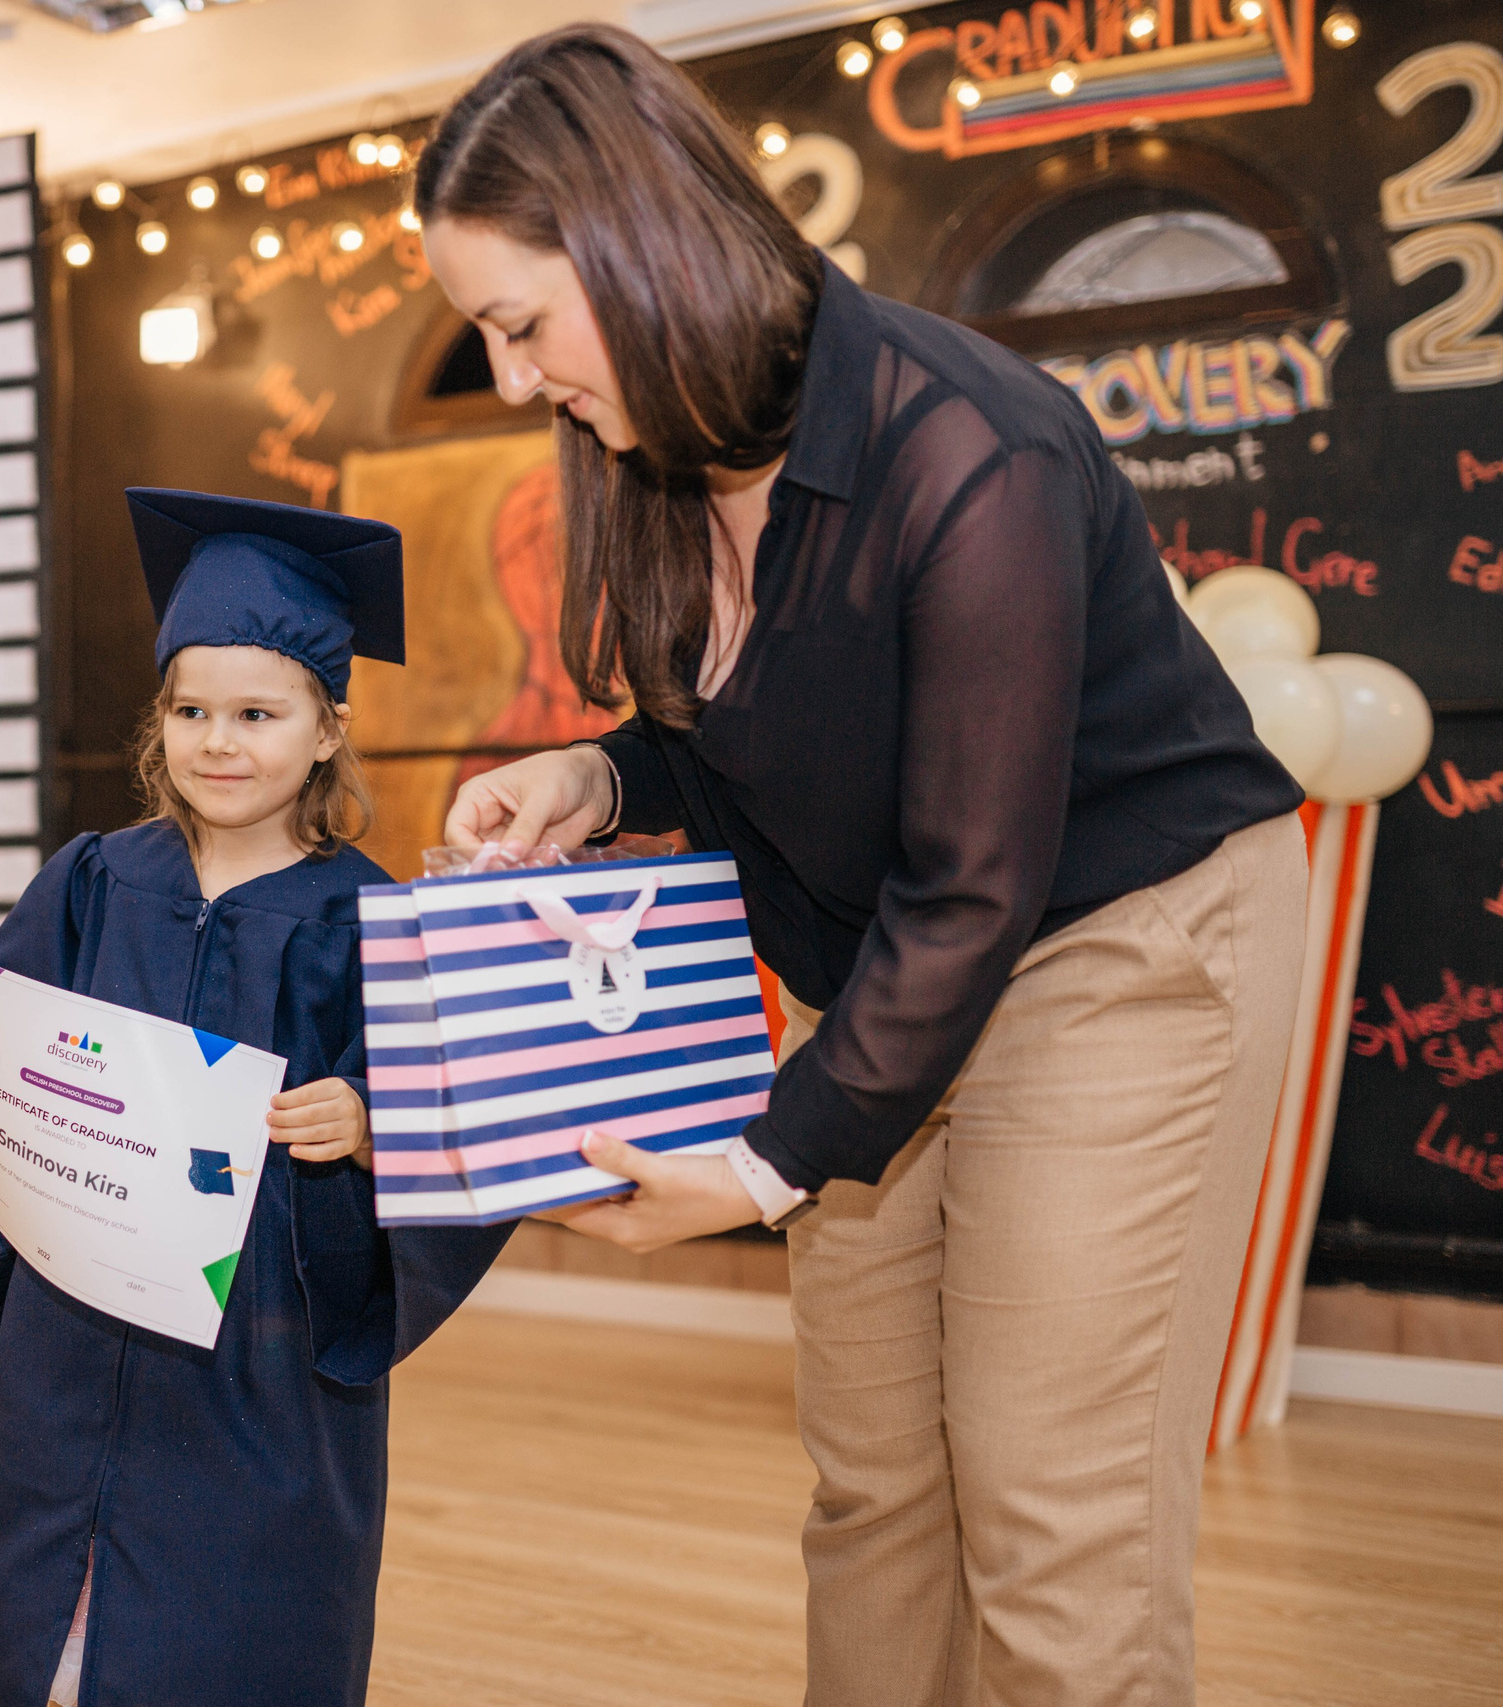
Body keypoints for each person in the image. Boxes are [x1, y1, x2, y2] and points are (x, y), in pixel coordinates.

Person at [415, 26, 1309, 1703]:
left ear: (639, 245)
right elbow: (741, 727)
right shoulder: (653, 460)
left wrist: (760, 1164)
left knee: (1052, 1510)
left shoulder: (974, 450)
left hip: (1117, 940)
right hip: (893, 953)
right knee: (876, 1487)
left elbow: (978, 879)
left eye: (519, 322)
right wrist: (595, 775)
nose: (514, 378)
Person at [0, 489, 513, 1707]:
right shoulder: (88, 883)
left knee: (229, 1623)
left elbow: (465, 1120)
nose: (218, 741)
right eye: (190, 710)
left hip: (256, 1360)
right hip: (66, 1340)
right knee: (33, 1613)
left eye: (257, 713)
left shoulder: (370, 917)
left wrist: (371, 1128)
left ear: (328, 729)